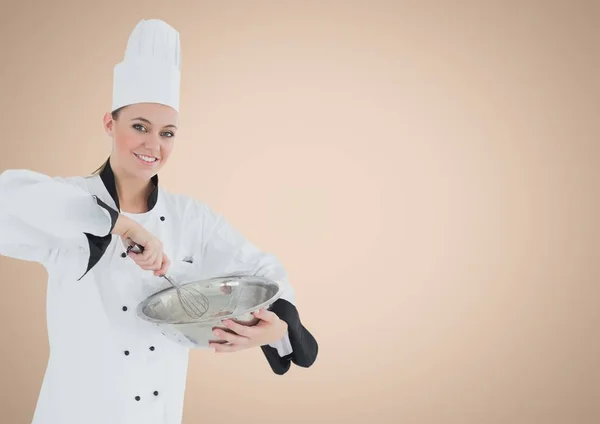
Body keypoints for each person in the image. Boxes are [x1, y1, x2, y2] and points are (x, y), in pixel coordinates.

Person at [0, 19, 318, 424]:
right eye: (139, 127)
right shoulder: (70, 202)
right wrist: (122, 225)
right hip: (74, 412)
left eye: (167, 133)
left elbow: (263, 270)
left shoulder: (192, 217)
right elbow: (8, 196)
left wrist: (277, 327)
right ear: (109, 124)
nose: (153, 145)